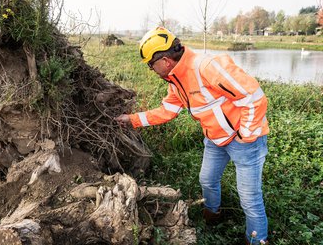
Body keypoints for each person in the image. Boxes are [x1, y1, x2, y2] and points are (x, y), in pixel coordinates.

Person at [115, 27, 269, 245]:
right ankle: (213, 218)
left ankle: (257, 240)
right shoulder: (175, 80)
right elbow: (167, 111)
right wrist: (132, 119)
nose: (151, 69)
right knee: (207, 180)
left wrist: (246, 134)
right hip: (215, 139)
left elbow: (254, 97)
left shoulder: (206, 66)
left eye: (151, 64)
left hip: (244, 141)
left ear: (166, 60)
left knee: (249, 198)